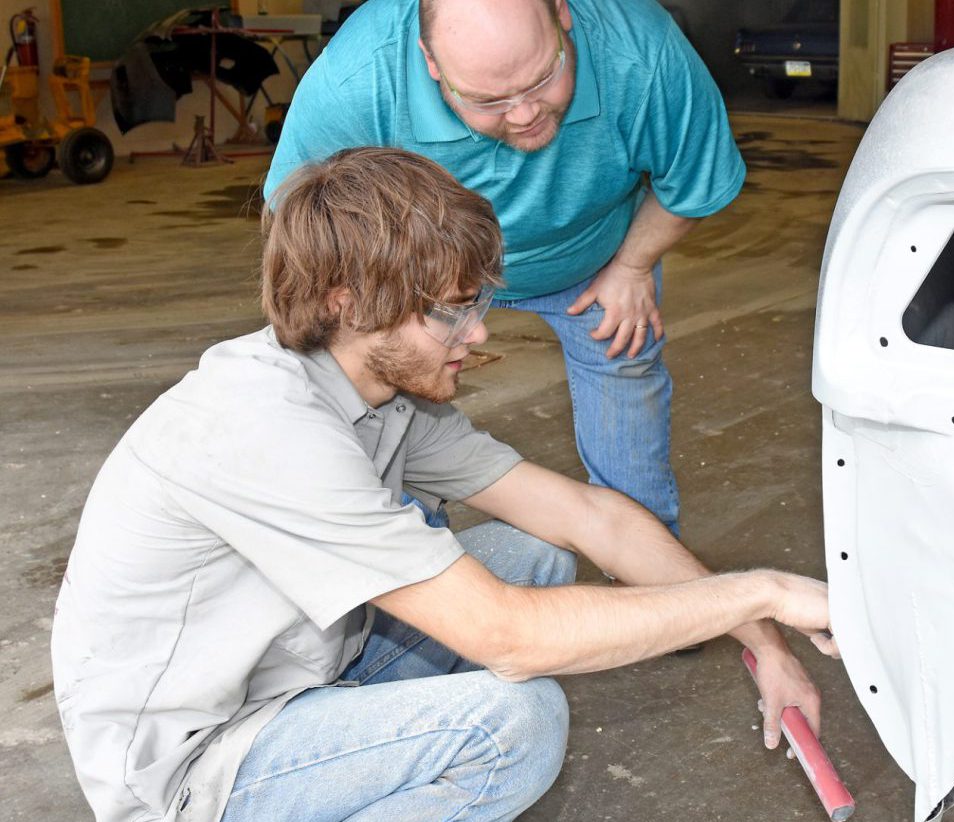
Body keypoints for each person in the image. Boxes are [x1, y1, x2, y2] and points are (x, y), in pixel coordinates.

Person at [53, 148, 833, 822]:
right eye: (451, 313)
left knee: (532, 554)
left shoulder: (382, 392)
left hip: (300, 674)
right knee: (513, 721)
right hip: (195, 767)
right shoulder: (263, 423)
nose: (480, 333)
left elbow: (589, 518)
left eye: (477, 304)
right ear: (347, 303)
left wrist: (761, 640)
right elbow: (510, 639)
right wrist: (759, 589)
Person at [265, 0, 743, 536]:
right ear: (430, 61)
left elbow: (697, 180)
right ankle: (394, 555)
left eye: (543, 79)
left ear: (562, 15)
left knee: (625, 379)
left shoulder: (641, 51)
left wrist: (633, 266)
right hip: (420, 274)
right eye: (487, 99)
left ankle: (653, 573)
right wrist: (383, 313)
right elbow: (302, 215)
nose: (524, 114)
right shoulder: (357, 79)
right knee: (372, 392)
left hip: (594, 258)